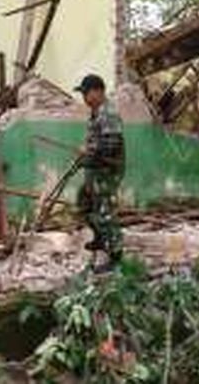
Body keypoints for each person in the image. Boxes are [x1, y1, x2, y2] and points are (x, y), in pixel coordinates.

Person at [74, 74, 125, 269]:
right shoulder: (97, 112)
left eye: (86, 92)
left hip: (107, 170)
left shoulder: (108, 113)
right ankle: (100, 238)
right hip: (96, 169)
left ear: (97, 91)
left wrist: (89, 151)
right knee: (84, 203)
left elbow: (112, 144)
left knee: (106, 213)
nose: (84, 97)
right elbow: (97, 141)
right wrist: (87, 152)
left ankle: (116, 254)